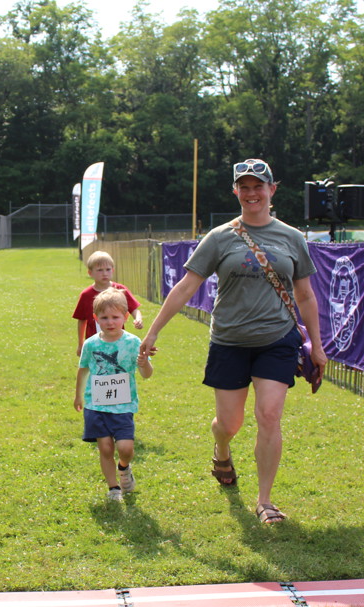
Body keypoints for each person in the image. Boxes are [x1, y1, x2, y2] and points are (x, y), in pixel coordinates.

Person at [140, 158, 327, 524]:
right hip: (229, 341)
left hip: (277, 339)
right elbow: (187, 286)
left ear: (272, 190)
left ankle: (265, 501)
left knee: (269, 415)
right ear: (236, 192)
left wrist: (317, 346)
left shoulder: (292, 238)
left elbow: (305, 295)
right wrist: (154, 330)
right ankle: (221, 447)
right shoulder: (220, 237)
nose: (251, 193)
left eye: (258, 186)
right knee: (229, 423)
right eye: (244, 187)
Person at [75, 288, 153, 501]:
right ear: (95, 318)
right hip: (96, 405)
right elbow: (83, 370)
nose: (110, 322)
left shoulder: (133, 343)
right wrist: (78, 396)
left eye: (115, 317)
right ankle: (113, 488)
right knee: (105, 448)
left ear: (125, 317)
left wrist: (144, 363)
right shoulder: (91, 344)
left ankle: (124, 468)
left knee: (126, 448)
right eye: (104, 318)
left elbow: (146, 374)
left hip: (123, 405)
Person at [73, 251, 143, 356]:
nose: (105, 273)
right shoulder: (86, 295)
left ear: (113, 270)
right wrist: (80, 344)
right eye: (100, 270)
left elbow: (134, 308)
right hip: (94, 344)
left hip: (118, 342)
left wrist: (138, 319)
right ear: (90, 273)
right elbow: (81, 320)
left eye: (108, 269)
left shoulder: (121, 290)